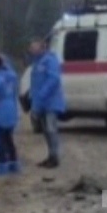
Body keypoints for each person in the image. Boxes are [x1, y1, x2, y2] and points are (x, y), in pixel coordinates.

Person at [28, 37, 66, 168]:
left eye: (34, 47)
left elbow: (53, 80)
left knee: (51, 129)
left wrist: (41, 95)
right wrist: (33, 98)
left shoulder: (50, 60)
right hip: (41, 102)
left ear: (42, 47)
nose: (31, 50)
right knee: (45, 130)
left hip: (51, 102)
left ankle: (55, 157)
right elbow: (35, 82)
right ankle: (50, 156)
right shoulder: (37, 62)